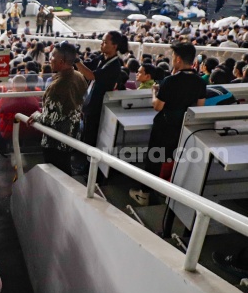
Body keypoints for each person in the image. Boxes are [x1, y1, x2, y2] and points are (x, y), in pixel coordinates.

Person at [130, 42, 206, 206]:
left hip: (164, 127)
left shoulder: (170, 81)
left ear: (178, 59)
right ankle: (166, 191)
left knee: (154, 159)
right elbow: (199, 107)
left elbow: (158, 106)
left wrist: (154, 93)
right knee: (172, 159)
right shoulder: (200, 82)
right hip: (182, 128)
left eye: (173, 57)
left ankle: (144, 193)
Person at [27, 41, 86, 175]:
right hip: (72, 136)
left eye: (52, 57)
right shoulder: (79, 77)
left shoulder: (57, 87)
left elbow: (49, 119)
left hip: (55, 142)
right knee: (65, 169)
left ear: (61, 61)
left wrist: (36, 115)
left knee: (57, 175)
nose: (49, 59)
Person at [76, 31, 127, 148]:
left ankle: (88, 165)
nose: (101, 44)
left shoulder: (114, 66)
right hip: (89, 104)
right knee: (85, 135)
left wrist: (76, 61)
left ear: (114, 46)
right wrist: (75, 56)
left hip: (98, 108)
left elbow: (91, 75)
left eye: (105, 42)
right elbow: (88, 66)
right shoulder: (102, 58)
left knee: (91, 139)